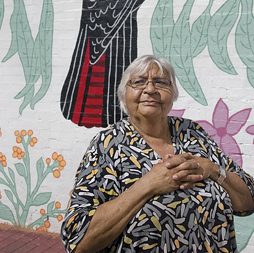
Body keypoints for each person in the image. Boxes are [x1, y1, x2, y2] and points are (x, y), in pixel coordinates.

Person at [61, 55, 254, 253]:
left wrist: (212, 169)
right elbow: (78, 241)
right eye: (139, 82)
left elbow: (247, 202)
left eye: (161, 82)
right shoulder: (108, 145)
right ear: (124, 95)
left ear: (173, 95)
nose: (150, 89)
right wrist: (148, 185)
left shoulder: (192, 133)